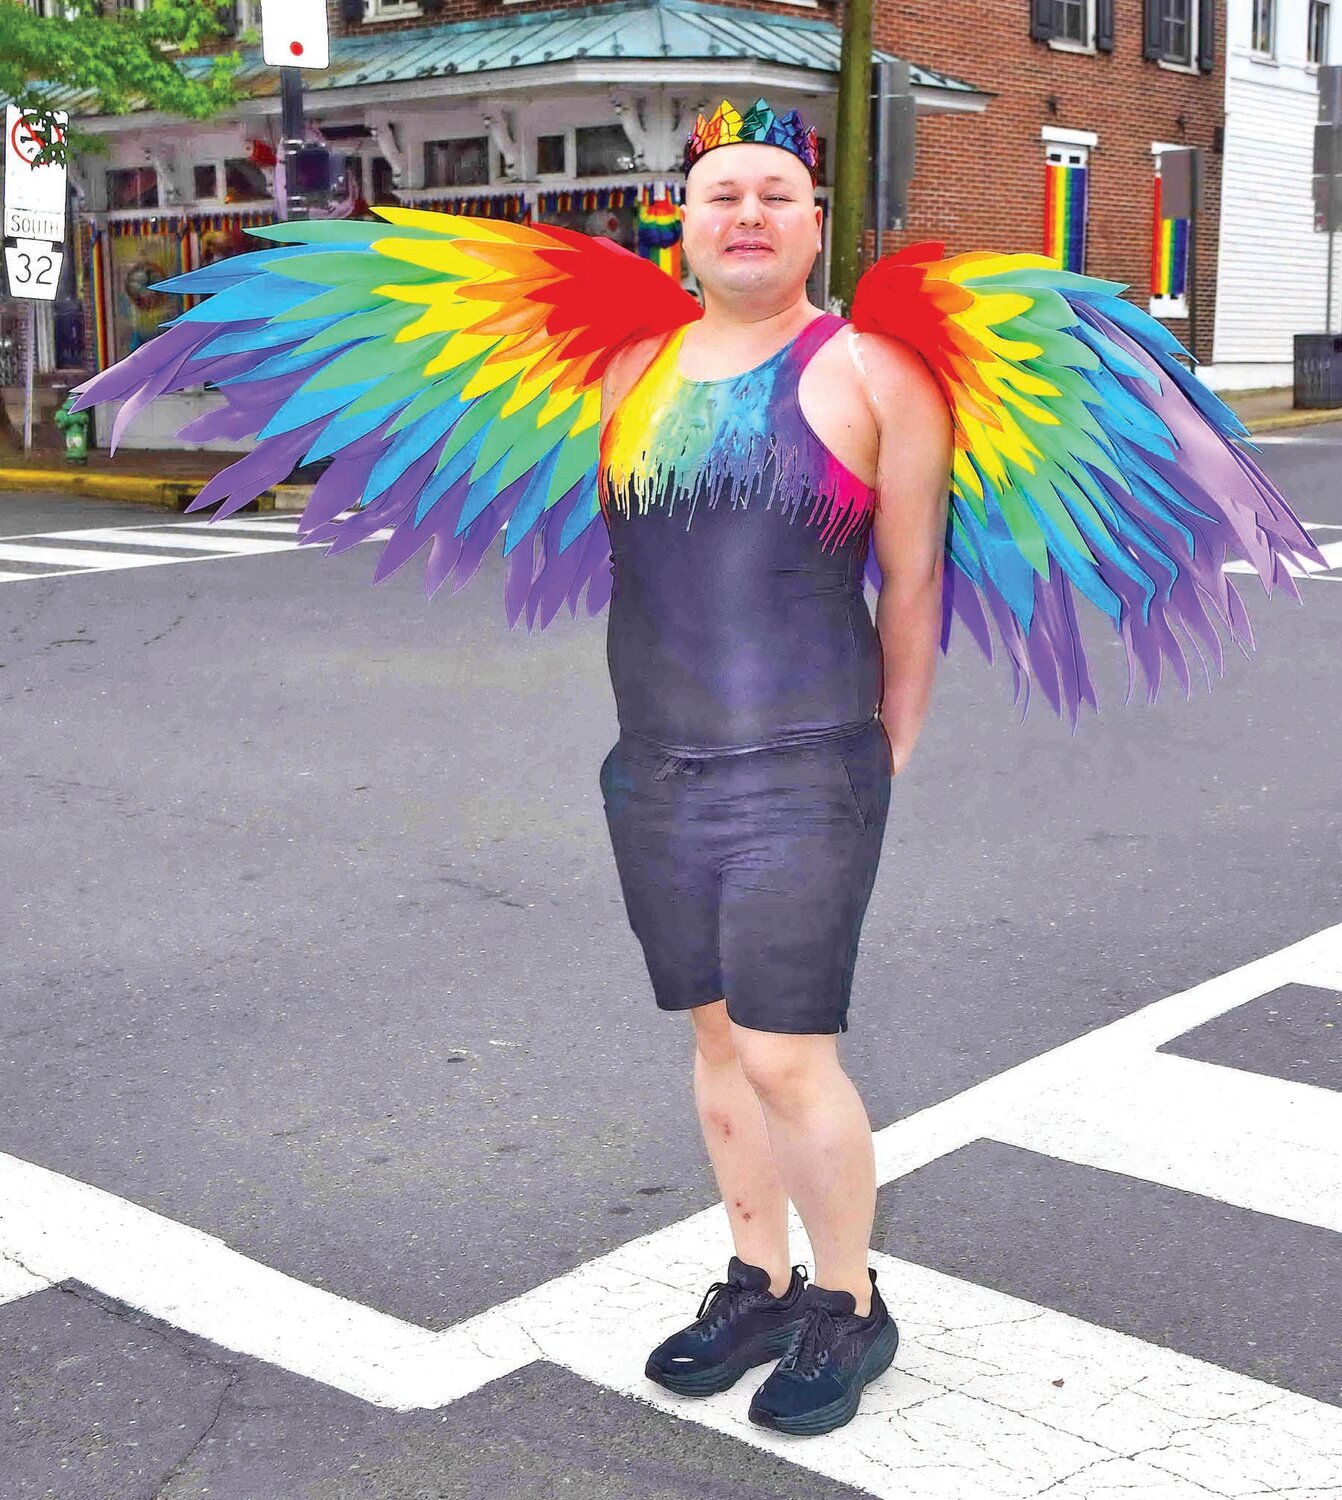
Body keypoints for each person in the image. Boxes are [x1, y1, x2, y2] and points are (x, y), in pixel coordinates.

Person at [596, 99, 954, 1436]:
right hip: (652, 766)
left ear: (815, 227)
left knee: (783, 1051)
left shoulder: (870, 372)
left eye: (774, 195)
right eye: (718, 195)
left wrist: (887, 745)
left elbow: (913, 582)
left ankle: (847, 1305)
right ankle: (755, 1275)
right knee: (711, 1042)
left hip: (803, 762)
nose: (744, 213)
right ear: (679, 225)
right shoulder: (627, 371)